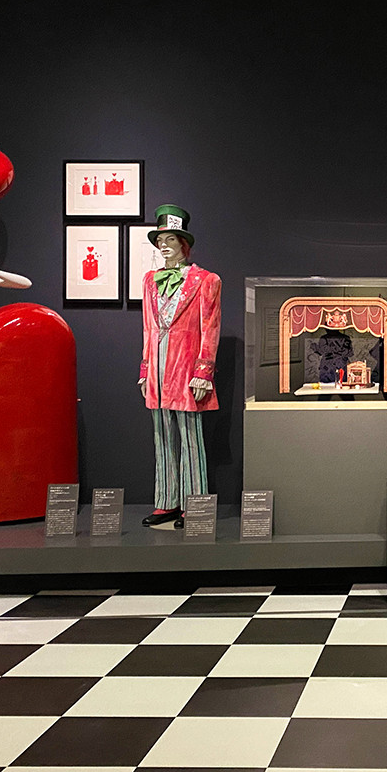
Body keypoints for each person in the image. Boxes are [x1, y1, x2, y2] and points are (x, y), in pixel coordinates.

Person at [138, 204, 222, 529]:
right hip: (158, 370)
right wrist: (145, 369)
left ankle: (195, 503)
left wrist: (204, 372)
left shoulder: (206, 280)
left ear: (183, 243)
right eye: (160, 240)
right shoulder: (149, 281)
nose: (164, 245)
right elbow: (148, 328)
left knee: (190, 437)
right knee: (162, 436)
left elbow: (210, 327)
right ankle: (166, 501)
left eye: (170, 239)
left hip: (187, 368)